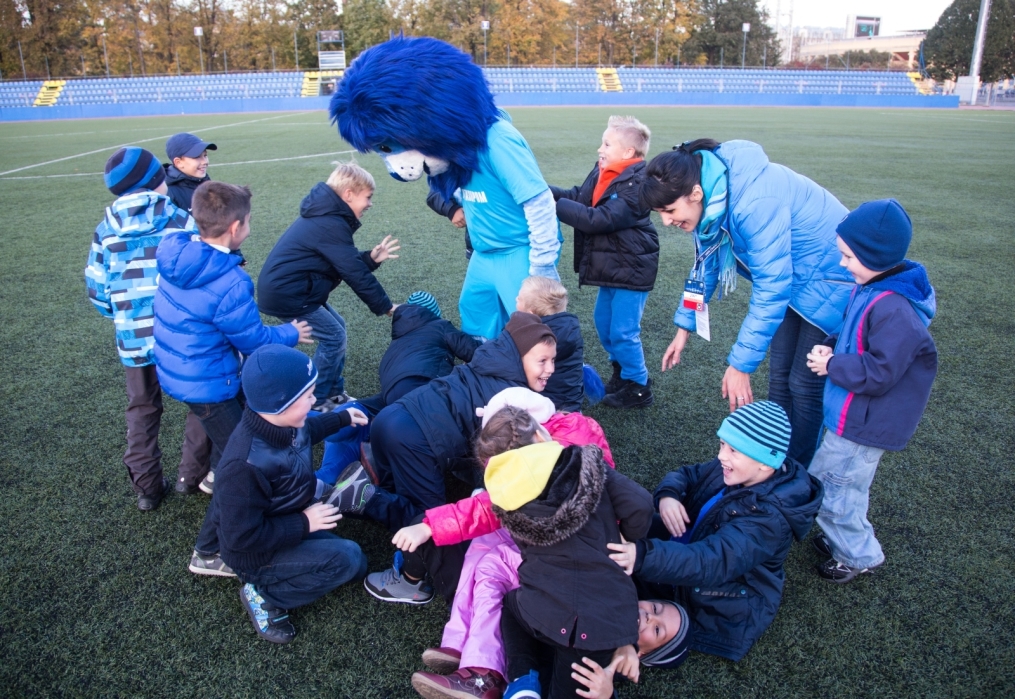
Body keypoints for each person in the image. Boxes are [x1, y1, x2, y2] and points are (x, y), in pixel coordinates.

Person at [643, 139, 854, 465]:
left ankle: (796, 476)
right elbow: (705, 266)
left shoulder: (753, 202)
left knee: (804, 383)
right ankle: (778, 465)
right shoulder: (712, 202)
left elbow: (772, 288)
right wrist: (684, 328)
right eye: (660, 214)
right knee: (781, 381)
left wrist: (740, 365)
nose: (667, 222)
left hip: (832, 277)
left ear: (695, 194)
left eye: (669, 211)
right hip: (796, 278)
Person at [359, 313, 558, 604]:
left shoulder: (487, 359)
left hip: (391, 417)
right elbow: (493, 456)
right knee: (432, 522)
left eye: (553, 360)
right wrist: (482, 490)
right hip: (414, 440)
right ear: (519, 356)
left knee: (402, 489)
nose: (550, 368)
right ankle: (415, 581)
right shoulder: (511, 396)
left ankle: (377, 487)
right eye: (542, 361)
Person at [607, 401, 822, 662]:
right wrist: (668, 495)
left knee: (619, 576)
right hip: (687, 545)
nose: (722, 455)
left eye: (732, 450)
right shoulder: (739, 470)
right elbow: (687, 474)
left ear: (766, 464)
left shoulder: (769, 520)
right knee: (619, 533)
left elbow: (710, 561)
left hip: (718, 595)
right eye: (722, 444)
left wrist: (641, 556)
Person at [805, 199, 938, 583]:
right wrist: (831, 344)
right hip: (852, 416)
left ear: (874, 255)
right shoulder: (873, 285)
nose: (843, 264)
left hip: (864, 424)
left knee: (835, 491)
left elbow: (881, 371)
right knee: (835, 484)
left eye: (848, 257)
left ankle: (857, 554)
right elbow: (854, 334)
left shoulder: (894, 308)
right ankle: (842, 539)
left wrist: (832, 365)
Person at [153, 181, 313, 499]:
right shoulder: (230, 282)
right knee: (243, 450)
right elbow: (253, 342)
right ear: (236, 225)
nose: (250, 229)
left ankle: (209, 475)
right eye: (249, 222)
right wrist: (291, 332)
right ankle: (236, 503)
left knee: (227, 426)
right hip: (209, 382)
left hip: (179, 370)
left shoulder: (177, 252)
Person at [205, 345, 372, 644]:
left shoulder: (286, 422)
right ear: (279, 405)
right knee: (345, 560)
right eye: (307, 396)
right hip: (255, 553)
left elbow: (309, 430)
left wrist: (342, 418)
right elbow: (239, 539)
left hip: (284, 516)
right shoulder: (242, 467)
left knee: (358, 561)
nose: (313, 400)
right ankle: (263, 594)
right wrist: (305, 523)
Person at [488, 409, 655, 699]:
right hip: (602, 625)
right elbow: (641, 504)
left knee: (511, 606)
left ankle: (523, 680)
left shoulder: (505, 498)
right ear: (541, 434)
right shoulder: (588, 463)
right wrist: (629, 537)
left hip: (542, 608)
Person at [85, 146, 209, 510]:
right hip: (181, 336)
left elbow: (97, 289)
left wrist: (125, 316)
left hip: (133, 339)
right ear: (157, 180)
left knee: (142, 408)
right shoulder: (179, 220)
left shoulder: (105, 229)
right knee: (200, 403)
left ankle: (147, 490)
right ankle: (192, 476)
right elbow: (198, 272)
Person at [257, 162, 401, 412]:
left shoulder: (328, 218)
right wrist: (386, 306)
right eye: (368, 197)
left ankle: (333, 392)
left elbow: (344, 262)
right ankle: (319, 399)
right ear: (348, 195)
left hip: (299, 290)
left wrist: (370, 259)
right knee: (334, 337)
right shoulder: (329, 223)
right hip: (289, 294)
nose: (370, 203)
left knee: (338, 330)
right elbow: (353, 273)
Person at [313, 291, 480, 486]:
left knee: (352, 420)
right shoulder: (440, 326)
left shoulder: (396, 344)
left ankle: (323, 475)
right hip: (421, 389)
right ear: (433, 313)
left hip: (390, 394)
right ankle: (378, 459)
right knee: (448, 431)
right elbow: (475, 352)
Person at [551, 115, 659, 409]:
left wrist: (556, 206)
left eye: (607, 143)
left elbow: (600, 219)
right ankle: (622, 374)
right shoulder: (605, 171)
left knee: (624, 331)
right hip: (615, 266)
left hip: (633, 267)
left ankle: (638, 387)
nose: (600, 148)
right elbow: (581, 198)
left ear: (628, 153)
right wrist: (547, 193)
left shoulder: (638, 182)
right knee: (604, 322)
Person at [514, 276, 584, 412]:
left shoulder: (535, 338)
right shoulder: (570, 327)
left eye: (519, 298)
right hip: (571, 402)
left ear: (531, 313)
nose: (516, 299)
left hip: (544, 406)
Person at [163, 132, 216, 211]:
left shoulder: (201, 179)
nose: (204, 161)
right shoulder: (169, 194)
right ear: (179, 162)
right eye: (197, 157)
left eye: (205, 155)